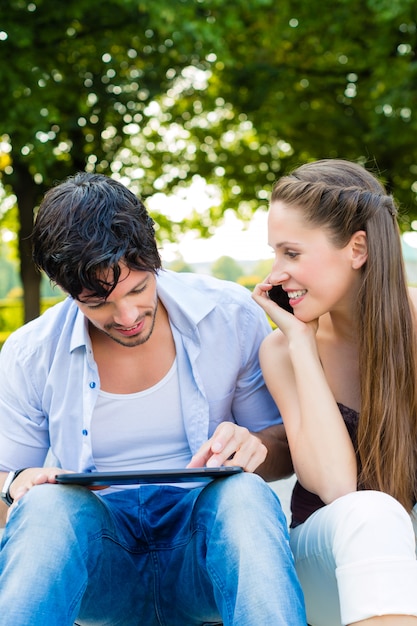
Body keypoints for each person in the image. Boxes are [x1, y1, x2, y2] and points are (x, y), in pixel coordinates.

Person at [0, 172, 306, 626]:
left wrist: (254, 447)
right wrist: (15, 485)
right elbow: (7, 484)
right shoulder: (30, 353)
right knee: (44, 507)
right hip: (102, 566)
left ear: (155, 260)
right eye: (97, 303)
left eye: (138, 289)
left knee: (244, 494)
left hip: (203, 555)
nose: (126, 317)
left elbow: (282, 447)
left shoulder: (228, 314)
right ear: (63, 290)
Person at [252, 158, 417, 626]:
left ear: (357, 248)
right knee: (372, 513)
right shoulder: (282, 350)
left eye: (292, 253)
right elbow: (338, 488)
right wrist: (302, 344)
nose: (276, 272)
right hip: (326, 561)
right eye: (275, 253)